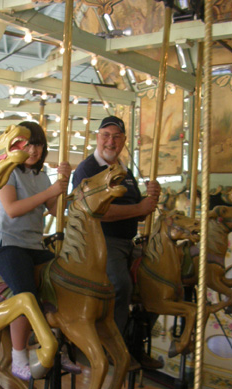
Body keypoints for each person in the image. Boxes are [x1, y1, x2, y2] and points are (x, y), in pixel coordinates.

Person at [0, 120, 81, 381]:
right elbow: (12, 209)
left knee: (62, 284)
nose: (34, 150)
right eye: (28, 145)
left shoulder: (41, 176)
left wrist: (64, 182)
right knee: (26, 296)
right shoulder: (7, 172)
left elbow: (54, 209)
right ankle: (18, 357)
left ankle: (55, 345)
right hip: (8, 245)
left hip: (34, 245)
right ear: (16, 146)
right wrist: (50, 192)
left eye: (38, 145)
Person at [72, 115, 163, 370]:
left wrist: (150, 202)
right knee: (120, 285)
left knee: (157, 281)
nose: (110, 141)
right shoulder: (87, 169)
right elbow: (99, 212)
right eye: (106, 136)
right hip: (100, 241)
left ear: (123, 141)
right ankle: (113, 350)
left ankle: (134, 343)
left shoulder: (126, 172)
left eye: (116, 137)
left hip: (126, 241)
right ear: (98, 138)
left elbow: (139, 211)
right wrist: (139, 207)